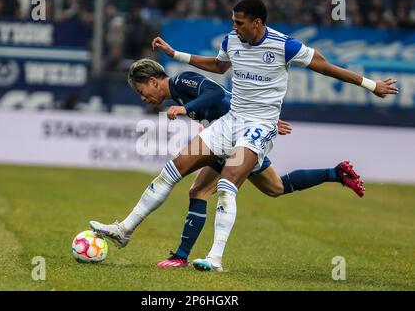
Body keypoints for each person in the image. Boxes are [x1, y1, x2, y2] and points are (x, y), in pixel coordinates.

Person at [90, 0, 398, 272]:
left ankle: (214, 258)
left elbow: (326, 67)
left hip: (259, 126)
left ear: (257, 22)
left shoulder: (285, 45)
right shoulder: (232, 41)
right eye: (232, 22)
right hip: (230, 121)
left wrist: (372, 85)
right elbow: (218, 65)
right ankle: (125, 230)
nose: (234, 28)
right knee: (173, 170)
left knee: (225, 184)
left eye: (239, 23)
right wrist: (176, 54)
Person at [125, 58, 364, 269]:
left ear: (153, 80)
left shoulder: (180, 82)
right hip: (237, 136)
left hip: (235, 138)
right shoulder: (176, 93)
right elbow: (222, 102)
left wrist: (257, 119)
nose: (143, 97)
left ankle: (182, 256)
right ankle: (336, 173)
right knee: (276, 187)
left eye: (141, 90)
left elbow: (219, 94)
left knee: (199, 190)